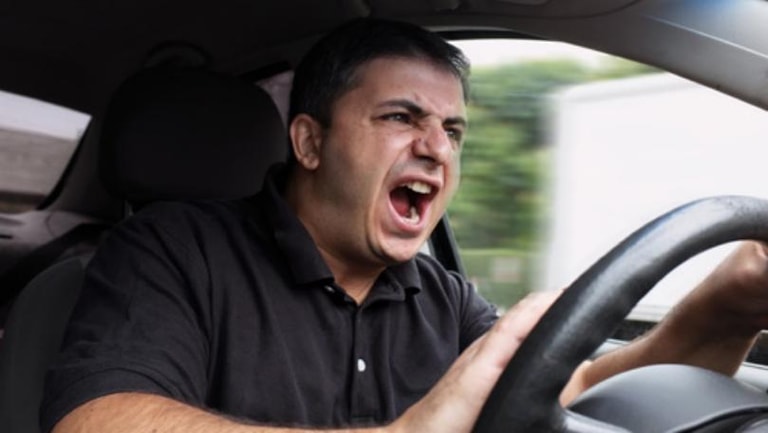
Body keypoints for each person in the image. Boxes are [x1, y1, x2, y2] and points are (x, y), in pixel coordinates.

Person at [41, 17, 768, 433]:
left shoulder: (442, 295)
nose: (437, 149)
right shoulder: (173, 249)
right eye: (400, 117)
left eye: (452, 130)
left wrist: (723, 309)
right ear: (310, 143)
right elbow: (96, 420)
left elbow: (569, 389)